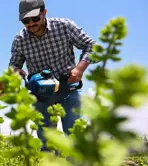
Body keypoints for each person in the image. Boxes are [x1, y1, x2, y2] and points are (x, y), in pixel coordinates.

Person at [8, 0, 98, 151]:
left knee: (75, 139)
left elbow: (92, 46)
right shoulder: (20, 39)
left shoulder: (64, 26)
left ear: (44, 13)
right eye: (25, 21)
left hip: (69, 91)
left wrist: (79, 70)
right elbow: (13, 64)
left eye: (35, 18)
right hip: (41, 96)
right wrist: (15, 71)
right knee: (46, 144)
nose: (31, 24)